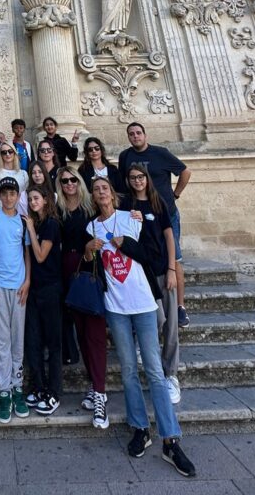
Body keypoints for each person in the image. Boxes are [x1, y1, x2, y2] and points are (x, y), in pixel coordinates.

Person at [86, 177, 196, 477]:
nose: (101, 193)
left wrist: (128, 244)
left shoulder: (131, 218)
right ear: (93, 197)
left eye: (105, 188)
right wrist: (87, 250)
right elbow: (91, 266)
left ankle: (171, 439)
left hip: (144, 303)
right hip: (115, 307)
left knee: (156, 372)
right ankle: (140, 429)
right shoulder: (91, 227)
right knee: (129, 370)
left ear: (112, 193)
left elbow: (152, 255)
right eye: (96, 190)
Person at [118, 122, 192, 327]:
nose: (135, 136)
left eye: (138, 133)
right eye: (131, 134)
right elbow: (125, 183)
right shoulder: (125, 156)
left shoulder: (161, 153)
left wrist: (175, 195)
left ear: (145, 134)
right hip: (138, 215)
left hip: (165, 213)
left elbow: (185, 172)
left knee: (174, 257)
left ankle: (180, 307)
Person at [122, 162, 180, 403]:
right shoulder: (127, 205)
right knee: (155, 320)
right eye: (133, 177)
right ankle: (151, 361)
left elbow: (169, 236)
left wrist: (171, 269)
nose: (137, 181)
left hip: (161, 269)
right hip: (141, 273)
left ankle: (171, 375)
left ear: (147, 178)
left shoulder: (158, 203)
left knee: (171, 324)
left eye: (141, 177)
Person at [55, 165, 108, 427]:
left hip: (90, 272)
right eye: (64, 181)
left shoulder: (91, 208)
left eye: (73, 179)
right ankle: (94, 383)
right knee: (81, 333)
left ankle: (100, 393)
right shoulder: (59, 211)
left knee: (95, 334)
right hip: (68, 274)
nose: (69, 184)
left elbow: (113, 214)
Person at [0, 177, 31, 424]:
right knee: (1, 339)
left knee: (17, 338)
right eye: (6, 193)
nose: (9, 197)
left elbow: (27, 253)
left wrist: (28, 281)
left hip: (19, 285)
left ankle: (17, 387)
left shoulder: (23, 221)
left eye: (13, 193)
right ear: (0, 195)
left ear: (18, 196)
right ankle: (4, 390)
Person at [23, 186, 62, 415]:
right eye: (29, 199)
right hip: (34, 289)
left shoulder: (50, 225)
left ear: (46, 200)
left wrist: (29, 228)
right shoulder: (35, 224)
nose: (33, 202)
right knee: (33, 341)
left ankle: (54, 392)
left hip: (50, 289)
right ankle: (38, 387)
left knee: (53, 343)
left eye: (36, 198)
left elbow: (39, 255)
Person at [0, 142, 29, 212]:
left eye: (10, 151)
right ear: (0, 155)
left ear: (14, 153)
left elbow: (26, 198)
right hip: (1, 215)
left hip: (20, 214)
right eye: (4, 152)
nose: (7, 154)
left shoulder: (23, 174)